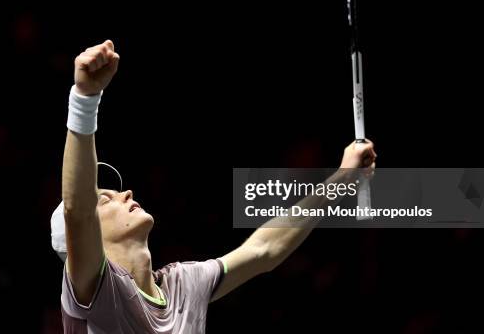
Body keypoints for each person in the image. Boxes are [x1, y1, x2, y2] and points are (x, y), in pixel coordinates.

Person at [51, 40, 377, 333]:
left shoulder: (183, 284)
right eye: (104, 200)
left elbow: (263, 249)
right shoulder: (98, 292)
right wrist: (85, 100)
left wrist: (341, 179)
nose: (126, 193)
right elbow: (77, 211)